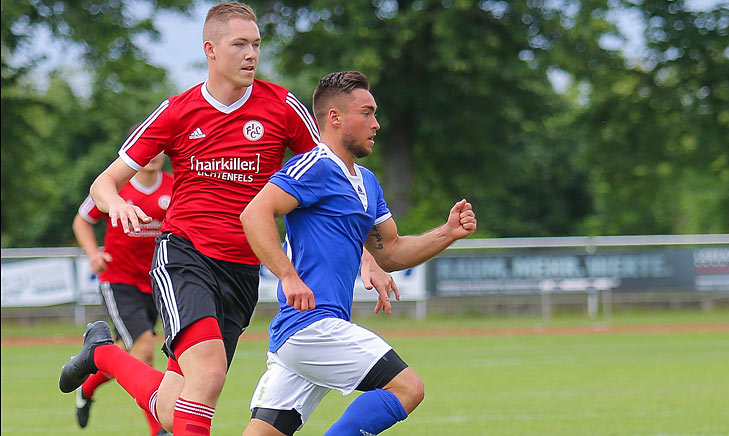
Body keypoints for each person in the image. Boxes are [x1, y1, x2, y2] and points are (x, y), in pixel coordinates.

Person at [58, 4, 392, 436]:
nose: (251, 54)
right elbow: (104, 182)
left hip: (242, 271)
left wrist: (367, 255)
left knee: (176, 407)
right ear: (210, 50)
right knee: (210, 374)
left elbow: (330, 185)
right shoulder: (177, 111)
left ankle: (102, 354)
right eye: (239, 44)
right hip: (185, 256)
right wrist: (116, 203)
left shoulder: (282, 106)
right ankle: (104, 354)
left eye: (256, 44)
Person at [239, 71, 476, 436]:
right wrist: (288, 276)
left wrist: (447, 233)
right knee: (407, 387)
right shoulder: (314, 166)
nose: (376, 124)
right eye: (366, 113)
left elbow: (391, 252)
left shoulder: (367, 181)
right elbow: (254, 213)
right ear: (334, 118)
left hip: (306, 336)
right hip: (312, 326)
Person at [71, 152, 173, 436]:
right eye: (148, 150)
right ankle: (158, 430)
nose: (153, 156)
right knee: (144, 350)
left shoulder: (174, 186)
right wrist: (94, 255)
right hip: (119, 280)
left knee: (128, 354)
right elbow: (81, 221)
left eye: (159, 150)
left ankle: (87, 385)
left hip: (158, 279)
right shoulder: (113, 186)